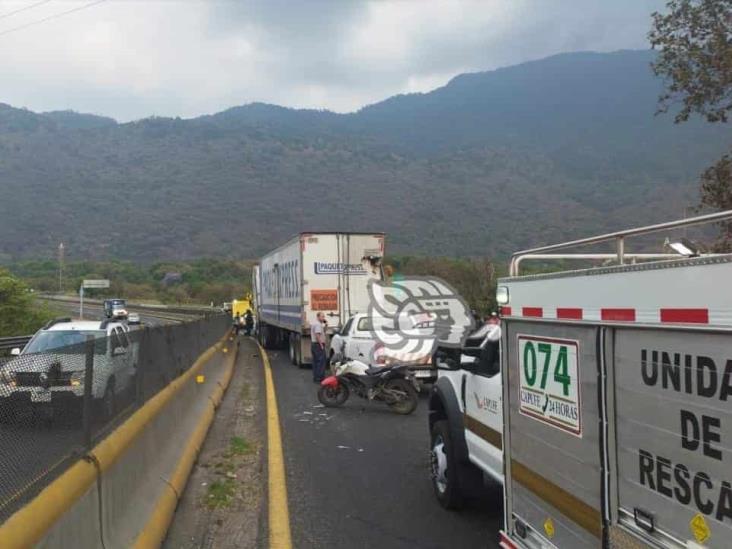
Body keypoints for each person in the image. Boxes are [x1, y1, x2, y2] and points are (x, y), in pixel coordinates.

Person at [310, 312, 327, 383]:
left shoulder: (317, 324)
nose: (323, 318)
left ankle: (316, 377)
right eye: (322, 317)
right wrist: (321, 345)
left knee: (316, 361)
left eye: (324, 316)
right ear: (318, 317)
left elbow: (323, 332)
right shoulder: (317, 325)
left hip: (314, 345)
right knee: (321, 361)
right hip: (318, 345)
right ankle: (320, 378)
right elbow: (317, 335)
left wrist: (326, 325)